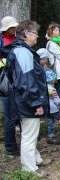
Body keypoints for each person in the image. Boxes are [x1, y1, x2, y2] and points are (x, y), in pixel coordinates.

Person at [1, 20, 50, 174]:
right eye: (35, 33)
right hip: (27, 101)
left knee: (30, 132)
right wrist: (36, 103)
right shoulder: (22, 52)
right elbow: (26, 81)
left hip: (23, 99)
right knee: (29, 134)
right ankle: (29, 169)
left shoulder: (20, 50)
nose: (37, 37)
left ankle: (36, 159)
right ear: (27, 34)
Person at [0, 16, 20, 156]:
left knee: (17, 113)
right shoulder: (1, 40)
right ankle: (10, 147)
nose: (14, 29)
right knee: (9, 116)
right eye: (12, 27)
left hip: (17, 79)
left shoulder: (17, 38)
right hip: (4, 81)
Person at [46, 22, 60, 99]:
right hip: (58, 72)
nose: (58, 32)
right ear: (50, 31)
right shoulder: (51, 44)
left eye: (58, 30)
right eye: (55, 30)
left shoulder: (56, 43)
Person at [45, 70, 60, 145]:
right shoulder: (52, 89)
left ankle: (50, 135)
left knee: (51, 122)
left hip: (47, 109)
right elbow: (56, 100)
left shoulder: (44, 88)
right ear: (51, 80)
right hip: (54, 109)